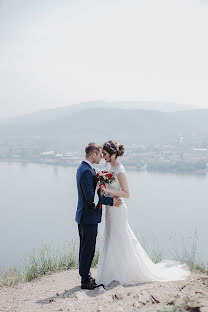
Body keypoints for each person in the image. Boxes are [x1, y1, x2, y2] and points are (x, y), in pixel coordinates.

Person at [95, 140, 191, 286]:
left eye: (106, 154)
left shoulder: (120, 170)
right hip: (110, 209)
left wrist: (108, 190)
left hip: (118, 209)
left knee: (120, 239)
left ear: (113, 154)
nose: (103, 156)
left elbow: (127, 194)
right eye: (103, 154)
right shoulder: (109, 166)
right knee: (110, 238)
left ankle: (126, 271)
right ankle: (112, 271)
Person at [75, 142, 122, 289]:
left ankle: (85, 275)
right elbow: (91, 198)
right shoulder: (86, 171)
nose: (102, 157)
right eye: (100, 154)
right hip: (88, 217)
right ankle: (85, 280)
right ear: (93, 154)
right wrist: (111, 201)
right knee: (88, 248)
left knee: (85, 247)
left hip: (85, 216)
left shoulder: (85, 168)